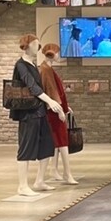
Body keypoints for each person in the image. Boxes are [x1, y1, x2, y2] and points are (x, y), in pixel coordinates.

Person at [10, 34, 64, 196]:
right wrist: (50, 101)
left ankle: (39, 181)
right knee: (26, 147)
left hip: (39, 111)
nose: (37, 47)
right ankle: (22, 185)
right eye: (35, 44)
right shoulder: (21, 65)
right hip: (27, 112)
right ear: (26, 46)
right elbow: (32, 87)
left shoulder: (32, 65)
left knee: (47, 144)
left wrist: (50, 104)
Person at [39, 43, 78, 186]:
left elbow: (54, 91)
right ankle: (67, 173)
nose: (59, 55)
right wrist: (60, 110)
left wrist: (65, 107)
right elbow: (51, 91)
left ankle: (54, 170)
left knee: (57, 142)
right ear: (52, 53)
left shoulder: (47, 68)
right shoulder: (46, 70)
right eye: (57, 53)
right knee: (62, 141)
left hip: (55, 109)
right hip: (53, 112)